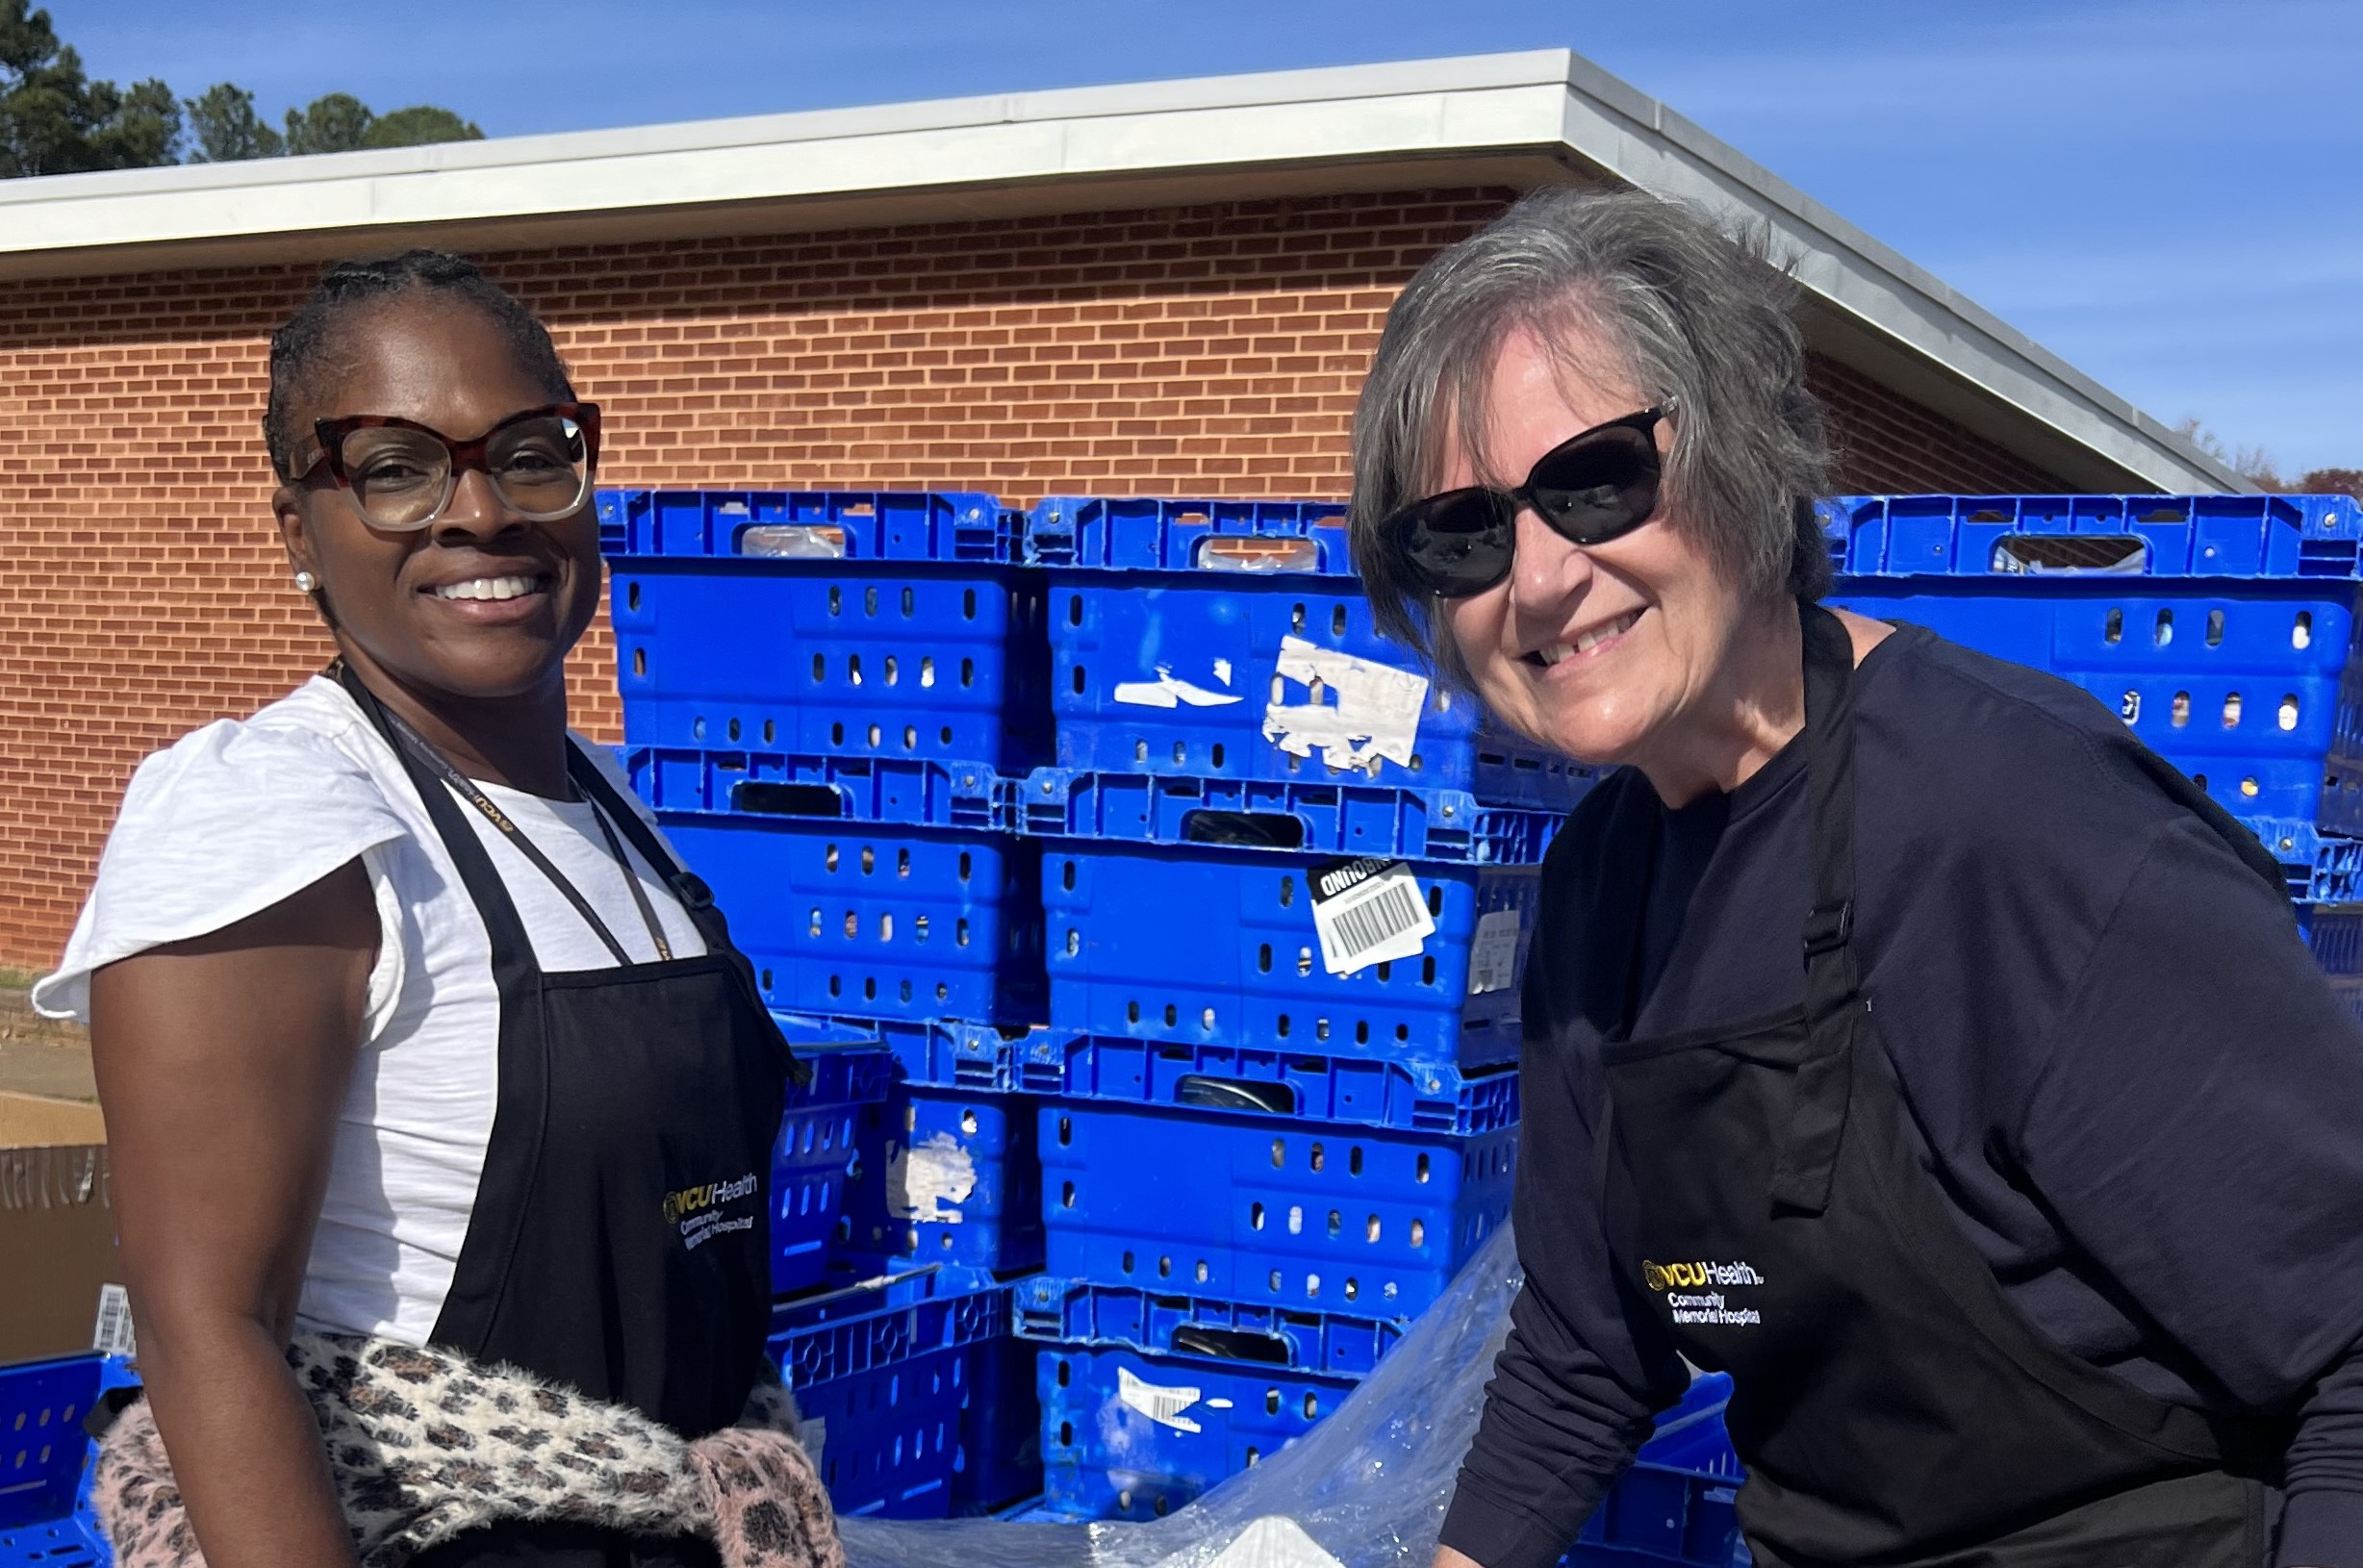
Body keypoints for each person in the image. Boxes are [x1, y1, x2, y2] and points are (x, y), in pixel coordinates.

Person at [1346, 189, 2363, 1568]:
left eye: (1594, 481)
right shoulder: (1593, 894)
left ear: (1741, 455)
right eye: (1460, 533)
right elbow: (1587, 1352)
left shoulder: (2011, 823)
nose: (1537, 580)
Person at [35, 252, 837, 1568]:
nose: (481, 511)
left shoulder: (620, 815)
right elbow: (203, 1325)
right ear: (298, 528)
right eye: (396, 467)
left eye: (528, 450)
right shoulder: (277, 815)